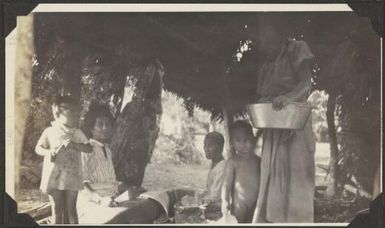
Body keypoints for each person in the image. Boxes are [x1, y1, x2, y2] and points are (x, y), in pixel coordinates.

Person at [249, 19, 316, 223]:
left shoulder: (297, 49)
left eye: (266, 34)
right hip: (274, 125)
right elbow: (263, 97)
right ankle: (274, 220)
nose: (262, 41)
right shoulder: (268, 63)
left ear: (278, 32)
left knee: (297, 176)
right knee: (273, 175)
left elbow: (306, 84)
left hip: (296, 124)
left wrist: (288, 99)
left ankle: (299, 221)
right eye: (260, 37)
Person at [35, 96, 92, 224]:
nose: (77, 115)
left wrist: (75, 145)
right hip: (54, 176)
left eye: (78, 113)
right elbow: (38, 148)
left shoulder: (77, 133)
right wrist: (48, 152)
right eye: (72, 111)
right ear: (57, 113)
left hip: (72, 176)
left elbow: (89, 149)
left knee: (71, 208)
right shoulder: (49, 131)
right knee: (56, 209)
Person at [221, 120, 261, 223]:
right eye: (238, 140)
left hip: (256, 204)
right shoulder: (233, 162)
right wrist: (225, 201)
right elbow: (226, 185)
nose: (243, 144)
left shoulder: (258, 161)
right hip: (239, 205)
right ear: (232, 143)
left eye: (246, 140)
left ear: (253, 139)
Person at [197, 132, 226, 216]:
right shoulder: (214, 163)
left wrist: (199, 201)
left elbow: (215, 196)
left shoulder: (222, 167)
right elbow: (209, 189)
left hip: (218, 207)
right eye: (205, 145)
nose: (206, 148)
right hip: (210, 202)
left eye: (210, 145)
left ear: (220, 148)